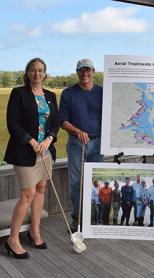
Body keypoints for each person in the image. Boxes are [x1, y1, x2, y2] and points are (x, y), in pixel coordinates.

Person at [4, 58, 59, 258]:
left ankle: (34, 231)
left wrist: (49, 140)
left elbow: (55, 122)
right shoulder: (18, 93)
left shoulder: (51, 96)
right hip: (24, 151)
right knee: (28, 193)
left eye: (41, 70)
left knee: (41, 189)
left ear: (45, 74)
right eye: (33, 70)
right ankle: (13, 239)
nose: (37, 73)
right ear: (28, 73)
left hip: (45, 152)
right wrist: (31, 141)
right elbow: (13, 124)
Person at [58, 58, 103, 232]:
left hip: (98, 143)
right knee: (76, 183)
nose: (85, 73)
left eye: (88, 70)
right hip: (77, 144)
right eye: (81, 70)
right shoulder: (68, 93)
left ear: (93, 72)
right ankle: (77, 219)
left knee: (95, 182)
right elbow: (62, 120)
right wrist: (77, 131)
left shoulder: (102, 92)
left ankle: (93, 218)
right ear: (77, 72)